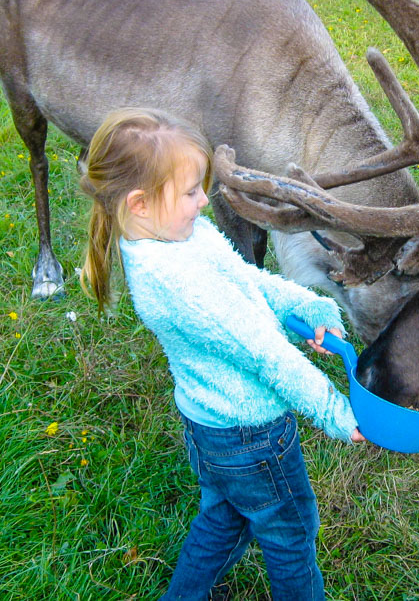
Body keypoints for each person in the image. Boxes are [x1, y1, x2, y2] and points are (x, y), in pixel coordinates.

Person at [78, 107, 364, 600]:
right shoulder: (174, 285)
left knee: (225, 519)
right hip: (250, 436)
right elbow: (265, 355)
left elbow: (248, 281)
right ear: (141, 204)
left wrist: (309, 304)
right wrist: (337, 412)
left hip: (211, 428)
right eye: (190, 192)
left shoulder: (182, 236)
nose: (203, 200)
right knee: (290, 535)